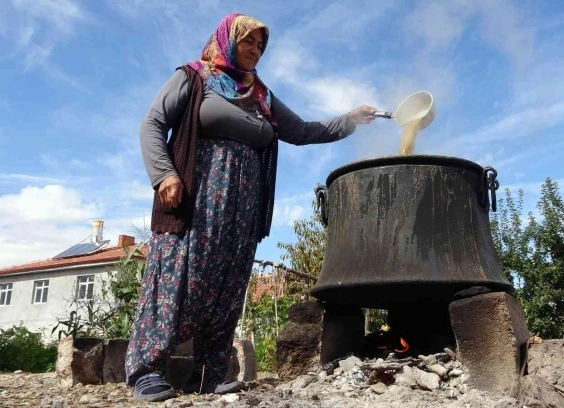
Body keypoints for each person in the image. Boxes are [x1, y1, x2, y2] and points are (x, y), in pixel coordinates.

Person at [126, 13, 377, 402]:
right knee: (178, 276)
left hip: (243, 210)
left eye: (261, 46)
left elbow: (304, 131)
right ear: (228, 40)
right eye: (249, 42)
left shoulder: (262, 94)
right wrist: (164, 176)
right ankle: (146, 369)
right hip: (196, 198)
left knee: (227, 285)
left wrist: (351, 120)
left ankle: (206, 374)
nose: (256, 51)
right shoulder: (195, 77)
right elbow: (153, 123)